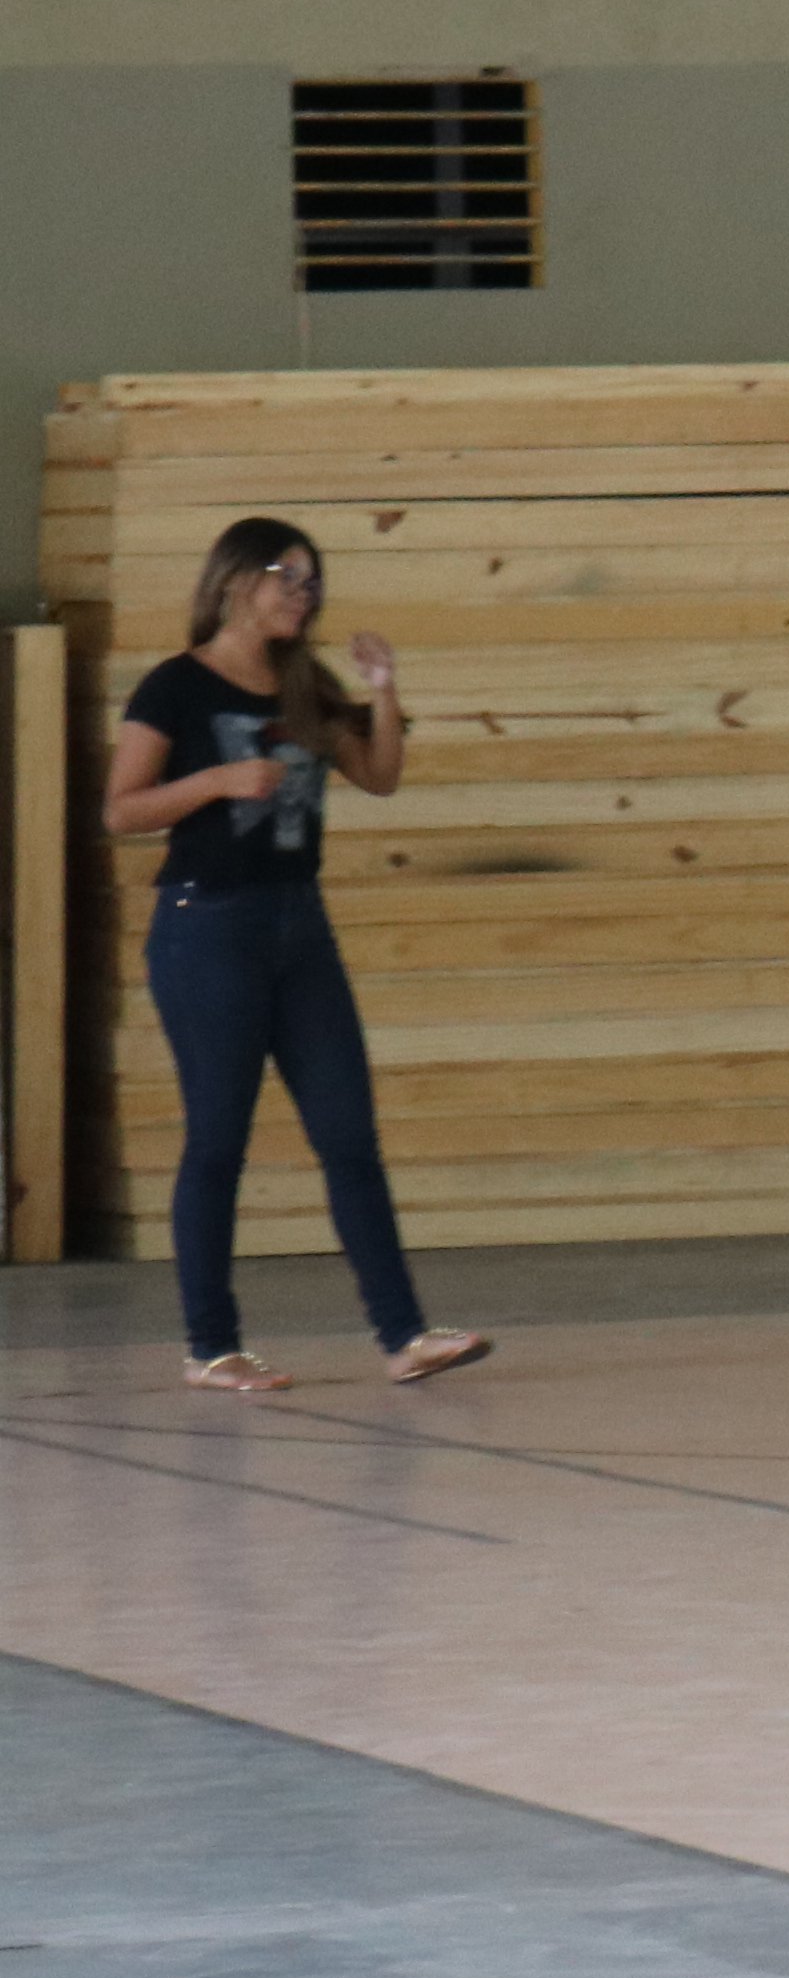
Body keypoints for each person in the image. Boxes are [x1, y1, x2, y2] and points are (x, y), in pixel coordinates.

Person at [103, 517, 495, 1394]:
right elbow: (121, 809)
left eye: (313, 582)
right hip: (208, 927)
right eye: (289, 576)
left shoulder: (304, 686)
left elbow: (379, 775)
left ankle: (404, 1335)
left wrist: (383, 692)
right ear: (238, 579)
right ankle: (212, 1347)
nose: (303, 595)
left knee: (349, 1134)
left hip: (298, 927)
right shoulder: (175, 686)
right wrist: (217, 780)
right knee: (218, 1141)